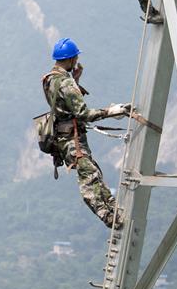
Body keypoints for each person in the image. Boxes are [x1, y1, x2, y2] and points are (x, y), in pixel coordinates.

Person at [43, 38, 130, 229]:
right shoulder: (66, 83)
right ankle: (109, 218)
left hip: (63, 139)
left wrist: (76, 79)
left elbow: (62, 104)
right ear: (71, 59)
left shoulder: (49, 79)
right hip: (73, 140)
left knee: (94, 174)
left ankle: (115, 211)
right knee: (90, 178)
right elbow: (83, 114)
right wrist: (111, 111)